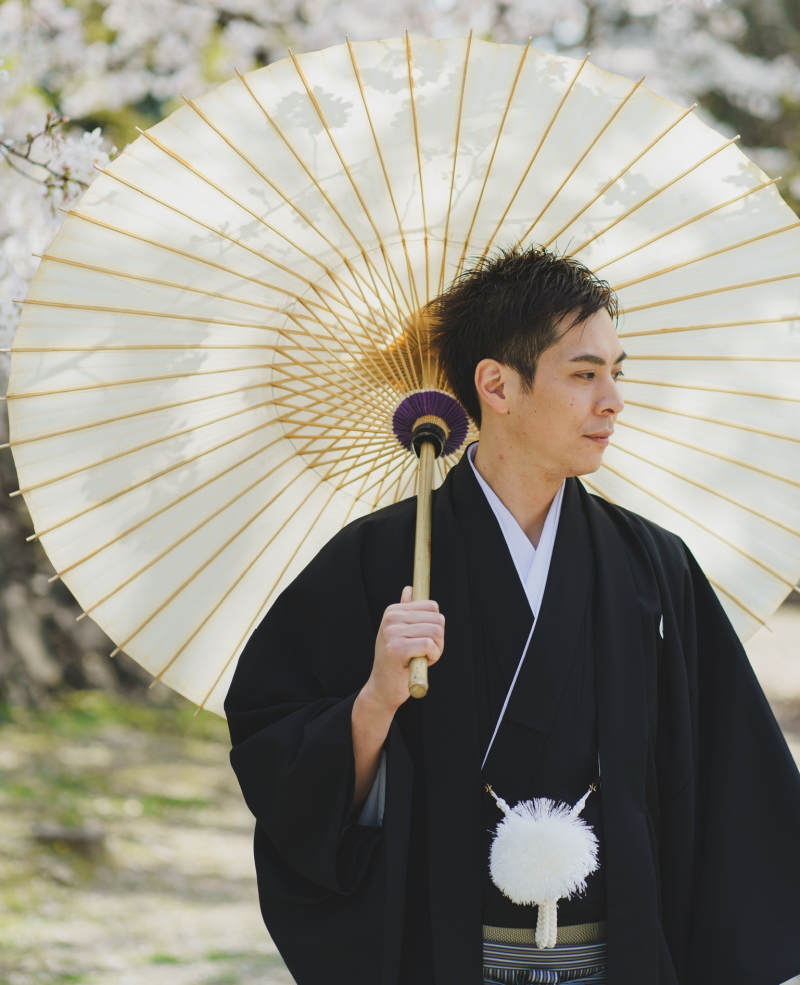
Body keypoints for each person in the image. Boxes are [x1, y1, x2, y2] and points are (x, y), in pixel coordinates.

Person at [225, 245, 800, 985]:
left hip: (617, 956)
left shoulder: (653, 566)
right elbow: (281, 761)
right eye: (585, 374)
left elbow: (730, 778)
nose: (613, 401)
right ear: (497, 385)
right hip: (446, 954)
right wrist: (374, 701)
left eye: (616, 374)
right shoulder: (378, 563)